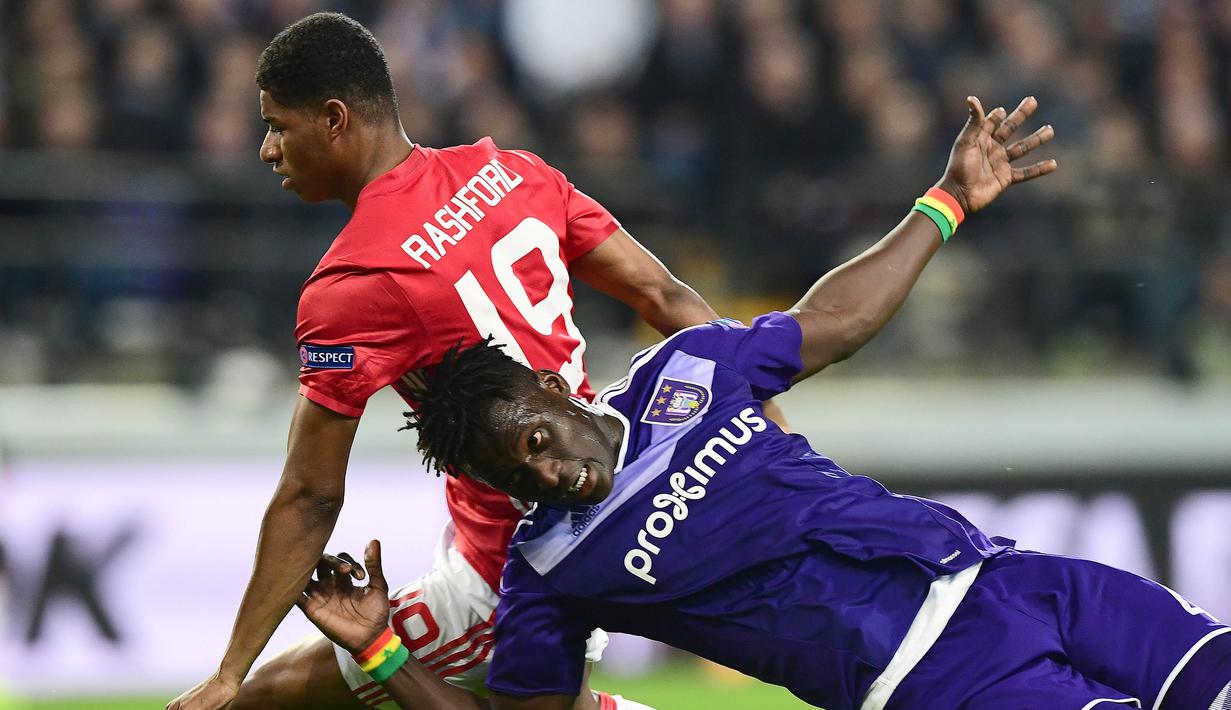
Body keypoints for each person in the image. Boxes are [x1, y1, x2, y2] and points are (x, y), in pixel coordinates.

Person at [299, 97, 1231, 709]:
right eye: (519, 475)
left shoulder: (688, 370)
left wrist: (944, 202)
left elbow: (833, 321)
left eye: (535, 440)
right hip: (933, 677)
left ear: (552, 388)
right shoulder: (548, 570)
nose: (549, 472)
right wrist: (382, 653)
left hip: (1010, 580)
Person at [168, 11, 735, 710]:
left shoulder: (351, 284)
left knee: (256, 702)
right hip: (594, 503)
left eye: (279, 126)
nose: (268, 150)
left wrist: (228, 672)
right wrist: (761, 432)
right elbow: (666, 295)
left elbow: (311, 493)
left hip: (508, 564)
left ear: (335, 119)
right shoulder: (511, 171)